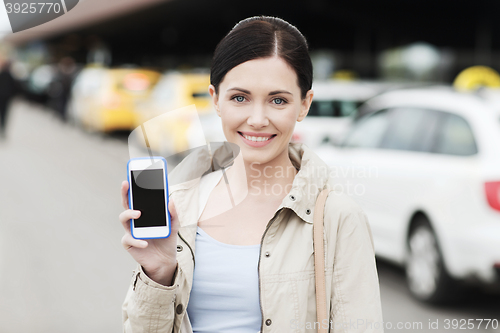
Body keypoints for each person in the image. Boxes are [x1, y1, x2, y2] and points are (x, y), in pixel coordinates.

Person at [119, 16, 384, 333]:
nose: (257, 119)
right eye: (239, 98)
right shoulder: (178, 205)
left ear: (304, 105)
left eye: (278, 100)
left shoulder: (338, 219)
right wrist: (159, 274)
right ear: (216, 100)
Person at [0, 57, 17, 139]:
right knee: (4, 114)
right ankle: (3, 128)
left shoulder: (2, 74)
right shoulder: (10, 75)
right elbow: (15, 87)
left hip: (2, 97)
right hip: (7, 98)